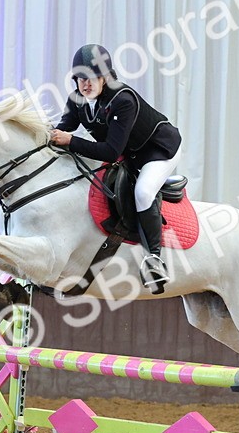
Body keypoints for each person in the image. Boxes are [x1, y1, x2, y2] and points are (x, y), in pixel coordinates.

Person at [50, 44, 182, 292]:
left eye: (91, 78)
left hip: (158, 150)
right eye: (80, 78)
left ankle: (154, 259)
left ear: (104, 77)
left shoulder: (123, 100)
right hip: (129, 152)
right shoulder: (77, 99)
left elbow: (110, 152)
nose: (85, 84)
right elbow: (63, 129)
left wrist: (71, 141)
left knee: (143, 191)